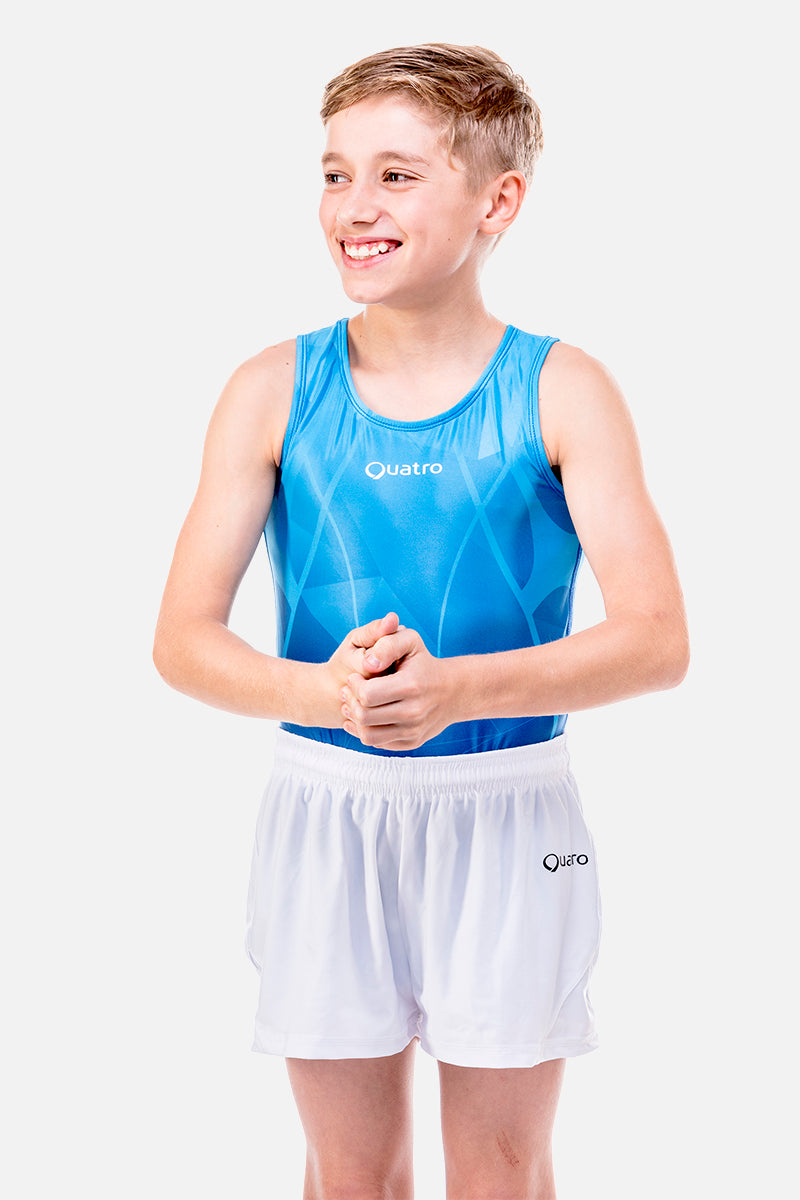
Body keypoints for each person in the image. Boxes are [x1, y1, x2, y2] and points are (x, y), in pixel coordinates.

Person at [153, 43, 688, 1200]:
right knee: (351, 1173)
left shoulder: (562, 389)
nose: (355, 206)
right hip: (323, 806)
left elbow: (655, 638)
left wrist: (454, 690)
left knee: (499, 1169)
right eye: (335, 173)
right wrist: (320, 694)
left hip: (510, 809)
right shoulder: (270, 390)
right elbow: (182, 639)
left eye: (396, 176)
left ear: (497, 201)